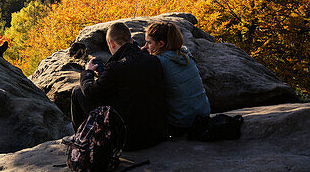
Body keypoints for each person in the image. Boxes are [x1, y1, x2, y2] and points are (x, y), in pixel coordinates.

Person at [70, 20, 167, 149]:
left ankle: (83, 142)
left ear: (111, 43)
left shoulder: (116, 67)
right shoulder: (153, 60)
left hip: (129, 141)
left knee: (77, 92)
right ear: (131, 41)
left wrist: (87, 73)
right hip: (155, 135)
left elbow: (90, 92)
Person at [144, 21, 211, 134]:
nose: (145, 47)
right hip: (203, 114)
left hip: (181, 123)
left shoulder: (159, 62)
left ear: (161, 44)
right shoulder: (185, 54)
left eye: (148, 43)